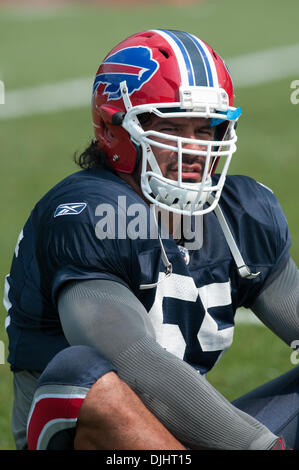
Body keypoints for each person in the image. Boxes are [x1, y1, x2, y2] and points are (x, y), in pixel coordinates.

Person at [4, 29, 299, 451]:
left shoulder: (241, 214)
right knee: (82, 373)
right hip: (109, 440)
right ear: (113, 130)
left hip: (184, 436)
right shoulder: (90, 214)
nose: (195, 148)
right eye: (174, 126)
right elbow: (135, 362)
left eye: (206, 128)